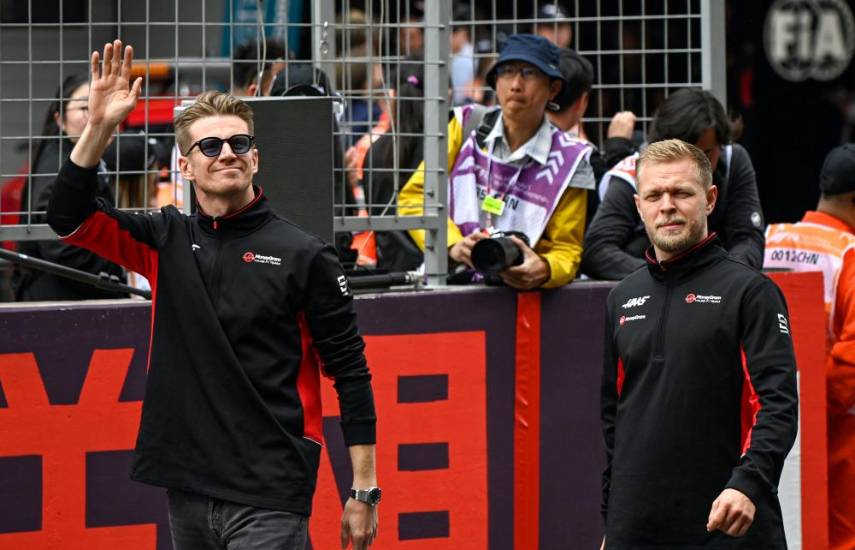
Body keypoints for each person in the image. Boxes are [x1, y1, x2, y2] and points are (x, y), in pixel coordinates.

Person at [47, 40, 379, 549]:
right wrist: (98, 127)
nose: (227, 152)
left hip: (270, 493)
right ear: (185, 166)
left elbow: (350, 373)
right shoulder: (165, 239)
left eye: (239, 143)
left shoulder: (305, 254)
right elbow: (68, 217)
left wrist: (363, 490)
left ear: (255, 158)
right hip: (189, 487)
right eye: (209, 146)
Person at [600, 139, 798, 548]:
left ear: (709, 199)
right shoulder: (621, 297)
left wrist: (748, 484)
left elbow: (777, 404)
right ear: (638, 206)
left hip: (727, 523)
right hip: (635, 530)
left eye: (681, 193)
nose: (667, 206)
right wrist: (612, 520)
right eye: (654, 195)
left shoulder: (751, 292)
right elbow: (614, 419)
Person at [398, 34, 595, 289]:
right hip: (450, 287)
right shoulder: (466, 125)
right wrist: (453, 244)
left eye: (529, 73)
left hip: (523, 299)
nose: (516, 84)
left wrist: (544, 269)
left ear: (553, 89)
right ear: (495, 81)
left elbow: (566, 250)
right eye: (507, 71)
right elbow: (415, 197)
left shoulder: (570, 160)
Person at [764, 144, 855, 550]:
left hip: (763, 422)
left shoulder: (767, 239)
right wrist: (811, 409)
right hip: (835, 432)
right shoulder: (849, 253)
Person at [582, 88, 765, 280]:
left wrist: (718, 277)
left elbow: (749, 239)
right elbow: (596, 250)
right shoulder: (634, 173)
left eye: (706, 155)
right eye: (655, 196)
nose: (694, 168)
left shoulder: (733, 160)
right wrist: (666, 275)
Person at [13, 73, 127, 301]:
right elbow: (59, 246)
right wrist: (118, 268)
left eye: (103, 106)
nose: (97, 116)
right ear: (60, 120)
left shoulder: (79, 159)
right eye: (85, 108)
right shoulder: (58, 167)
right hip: (59, 303)